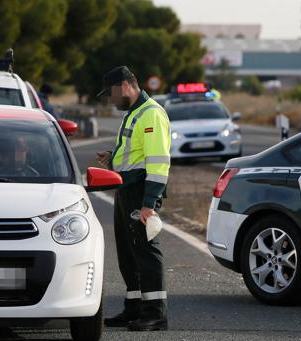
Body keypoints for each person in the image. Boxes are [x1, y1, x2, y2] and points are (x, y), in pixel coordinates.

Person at [95, 66, 171, 331]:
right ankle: (134, 308)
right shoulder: (134, 114)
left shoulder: (151, 115)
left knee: (146, 251)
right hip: (127, 190)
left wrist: (149, 204)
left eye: (112, 93)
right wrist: (112, 155)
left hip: (141, 193)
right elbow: (134, 151)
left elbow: (158, 163)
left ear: (126, 85)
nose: (111, 99)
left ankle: (155, 313)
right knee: (129, 253)